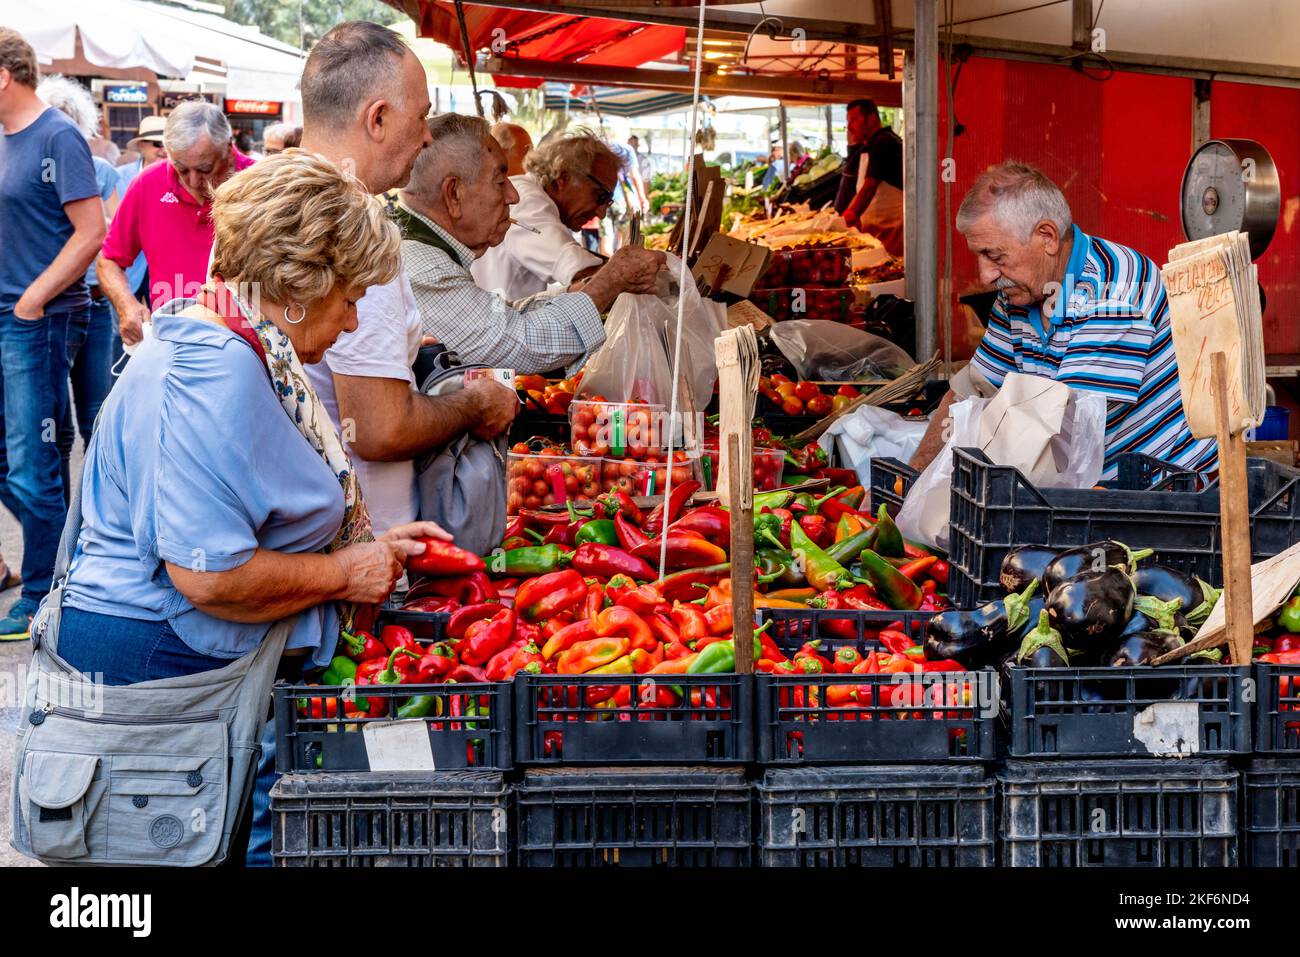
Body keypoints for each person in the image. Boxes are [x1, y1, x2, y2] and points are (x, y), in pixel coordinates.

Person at [48, 148, 445, 860]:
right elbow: (210, 576)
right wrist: (346, 574)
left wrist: (366, 549)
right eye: (348, 297)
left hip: (188, 675)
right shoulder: (217, 369)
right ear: (299, 286)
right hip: (165, 678)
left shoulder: (234, 342)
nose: (353, 322)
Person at [298, 20, 517, 537]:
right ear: (377, 118)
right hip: (365, 547)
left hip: (324, 542)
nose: (426, 135)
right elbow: (378, 428)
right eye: (420, 117)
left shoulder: (269, 207)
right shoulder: (354, 226)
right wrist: (473, 403)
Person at [909, 162, 1218, 480]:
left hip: (1161, 500)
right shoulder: (1020, 293)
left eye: (996, 256)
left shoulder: (1113, 293)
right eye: (980, 255)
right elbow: (971, 393)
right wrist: (914, 476)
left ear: (1047, 237)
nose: (985, 275)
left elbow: (1057, 429)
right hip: (1085, 489)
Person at [397, 113, 665, 374]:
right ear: (454, 193)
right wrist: (610, 281)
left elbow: (502, 316)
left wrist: (581, 290)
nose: (513, 196)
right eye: (501, 182)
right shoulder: (424, 266)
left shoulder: (427, 254)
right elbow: (518, 343)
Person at [0, 29, 106, 638]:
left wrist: (34, 300)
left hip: (37, 318)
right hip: (15, 316)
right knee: (23, 461)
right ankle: (73, 564)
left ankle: (44, 592)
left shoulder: (56, 135)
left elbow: (90, 231)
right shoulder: (10, 139)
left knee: (31, 463)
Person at [96, 102, 254, 352]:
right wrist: (127, 305)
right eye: (181, 169)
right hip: (174, 346)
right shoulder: (148, 184)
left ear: (227, 148)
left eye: (204, 169)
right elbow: (109, 260)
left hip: (247, 348)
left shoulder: (260, 184)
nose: (192, 181)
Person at [36, 75, 119, 493]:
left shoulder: (99, 170)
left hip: (96, 303)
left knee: (96, 416)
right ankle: (68, 520)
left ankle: (100, 516)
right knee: (56, 426)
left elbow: (114, 235)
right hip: (50, 306)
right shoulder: (30, 170)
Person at [471, 132, 618, 301]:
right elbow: (582, 272)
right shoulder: (526, 201)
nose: (601, 213)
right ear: (564, 177)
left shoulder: (529, 193)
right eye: (600, 196)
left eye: (608, 202)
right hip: (493, 322)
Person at [835, 98, 903, 256]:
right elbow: (860, 189)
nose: (849, 127)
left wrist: (849, 216)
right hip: (879, 229)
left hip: (892, 229)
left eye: (854, 120)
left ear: (871, 119)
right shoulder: (871, 145)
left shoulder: (883, 142)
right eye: (848, 121)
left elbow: (868, 188)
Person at [116, 114, 167, 191]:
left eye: (169, 144)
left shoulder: (183, 178)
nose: (165, 150)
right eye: (159, 143)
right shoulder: (119, 176)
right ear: (142, 145)